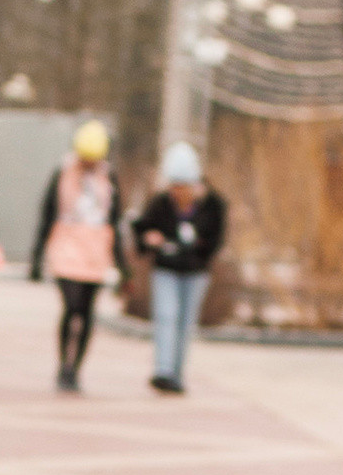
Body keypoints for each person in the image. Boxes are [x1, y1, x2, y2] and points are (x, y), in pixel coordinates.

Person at [29, 120, 122, 390]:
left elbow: (114, 221)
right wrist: (37, 257)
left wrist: (122, 264)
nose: (89, 163)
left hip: (96, 249)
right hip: (66, 245)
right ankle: (63, 365)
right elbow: (47, 215)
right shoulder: (63, 172)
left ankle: (76, 368)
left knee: (87, 310)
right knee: (71, 307)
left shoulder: (109, 178)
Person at [131, 139, 226, 392]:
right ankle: (163, 369)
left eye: (182, 187)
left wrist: (198, 252)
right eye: (173, 186)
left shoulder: (213, 204)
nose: (177, 193)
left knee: (185, 322)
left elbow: (216, 240)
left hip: (195, 273)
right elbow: (142, 229)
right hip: (166, 269)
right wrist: (150, 240)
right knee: (166, 316)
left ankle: (176, 372)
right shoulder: (161, 203)